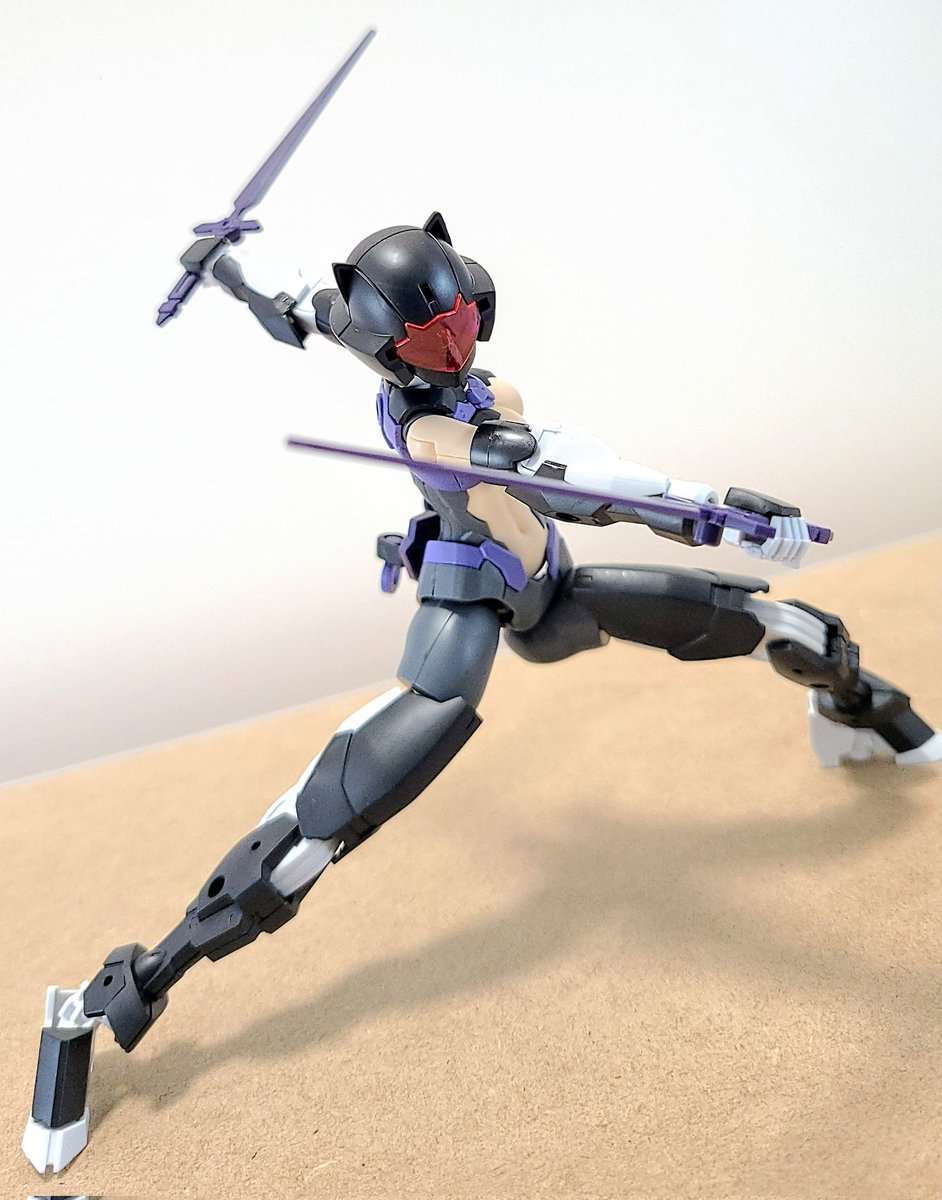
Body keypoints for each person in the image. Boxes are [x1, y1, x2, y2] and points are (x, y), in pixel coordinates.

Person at [23, 213, 940, 1174]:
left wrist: (227, 261)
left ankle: (854, 706)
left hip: (552, 588)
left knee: (768, 622)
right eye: (430, 338)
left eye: (459, 318)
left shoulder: (396, 348)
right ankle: (108, 996)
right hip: (471, 597)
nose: (454, 345)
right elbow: (582, 479)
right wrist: (715, 508)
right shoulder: (443, 430)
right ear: (394, 346)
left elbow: (298, 301)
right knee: (329, 814)